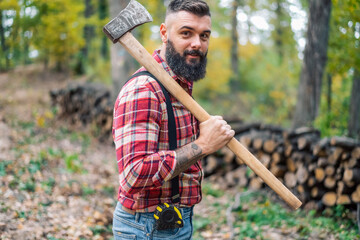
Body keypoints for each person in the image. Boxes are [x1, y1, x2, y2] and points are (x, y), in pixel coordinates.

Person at [112, 0, 235, 239]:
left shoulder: (178, 84)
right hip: (147, 228)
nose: (197, 44)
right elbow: (132, 175)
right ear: (164, 33)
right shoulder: (144, 90)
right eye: (186, 33)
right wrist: (203, 145)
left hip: (170, 221)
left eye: (204, 35)